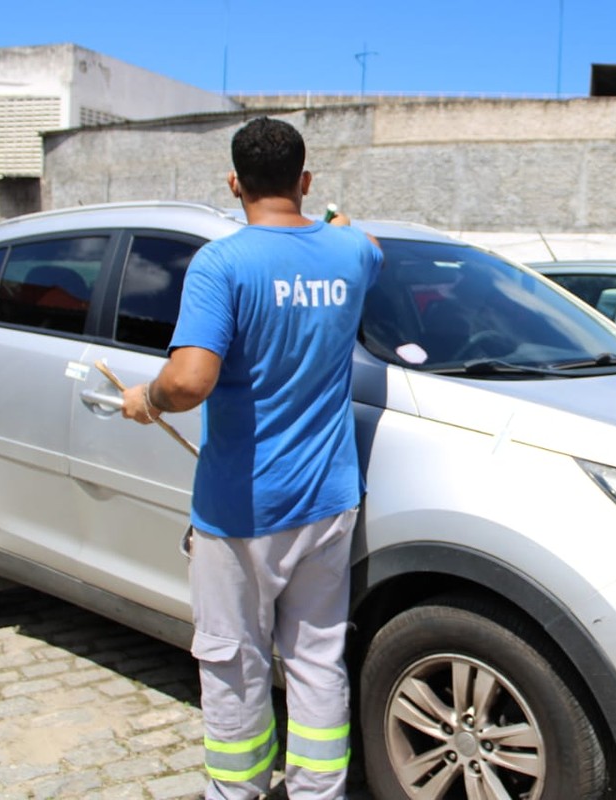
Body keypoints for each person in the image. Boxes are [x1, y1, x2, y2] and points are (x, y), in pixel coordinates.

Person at [121, 116, 383, 799]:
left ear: (234, 183)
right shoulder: (351, 253)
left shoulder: (223, 263)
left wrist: (145, 399)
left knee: (234, 661)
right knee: (317, 658)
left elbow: (189, 381)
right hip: (330, 498)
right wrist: (336, 219)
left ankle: (236, 792)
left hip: (242, 508)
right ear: (305, 180)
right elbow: (370, 242)